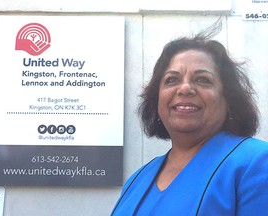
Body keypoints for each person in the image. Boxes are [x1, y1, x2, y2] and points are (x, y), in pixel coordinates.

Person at [111, 26, 268, 215]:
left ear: (228, 98)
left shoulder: (256, 163)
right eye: (171, 80)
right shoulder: (137, 180)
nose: (185, 88)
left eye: (202, 79)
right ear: (157, 98)